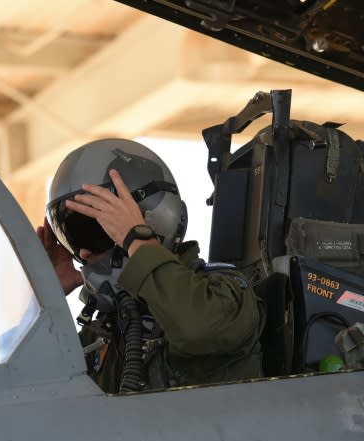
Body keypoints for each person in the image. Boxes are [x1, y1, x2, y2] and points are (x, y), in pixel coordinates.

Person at [38, 138, 265, 394]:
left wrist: (138, 241)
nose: (83, 252)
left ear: (152, 220)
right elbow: (39, 391)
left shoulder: (225, 293)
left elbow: (195, 327)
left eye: (93, 230)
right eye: (72, 239)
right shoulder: (106, 332)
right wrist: (45, 299)